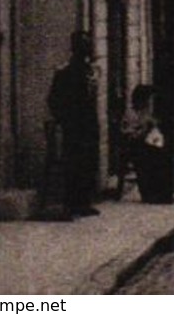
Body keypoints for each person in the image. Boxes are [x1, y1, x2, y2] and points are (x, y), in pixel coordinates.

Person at [47, 31, 101, 218]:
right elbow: (53, 99)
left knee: (89, 162)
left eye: (87, 44)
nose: (85, 49)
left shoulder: (90, 71)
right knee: (74, 163)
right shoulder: (64, 73)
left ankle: (84, 202)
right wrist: (64, 119)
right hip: (74, 125)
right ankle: (72, 203)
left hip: (88, 122)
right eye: (82, 45)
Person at [121, 84, 174, 203]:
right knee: (159, 157)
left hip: (147, 144)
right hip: (136, 146)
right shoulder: (131, 113)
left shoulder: (146, 111)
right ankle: (153, 194)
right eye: (147, 99)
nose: (149, 102)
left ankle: (166, 192)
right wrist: (144, 129)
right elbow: (129, 133)